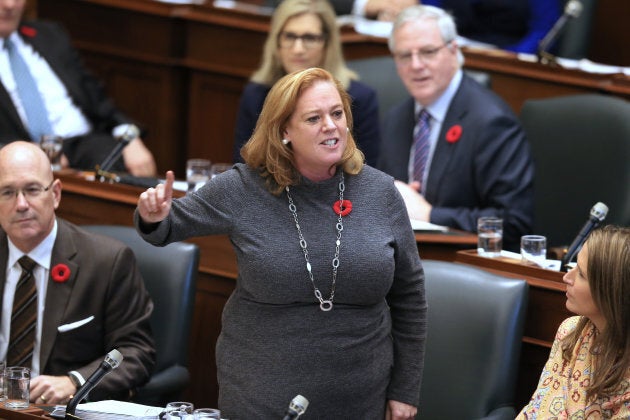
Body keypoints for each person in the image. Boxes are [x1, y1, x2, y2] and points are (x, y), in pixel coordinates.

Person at [136, 67, 426, 419]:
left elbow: (409, 296)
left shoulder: (380, 191)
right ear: (284, 131)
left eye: (337, 114)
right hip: (261, 393)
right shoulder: (244, 187)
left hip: (361, 394)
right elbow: (168, 224)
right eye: (313, 118)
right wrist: (153, 214)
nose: (331, 126)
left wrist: (405, 390)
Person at [0, 141, 155, 404]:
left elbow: (135, 353)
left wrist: (74, 381)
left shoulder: (107, 262)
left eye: (32, 189)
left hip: (59, 410)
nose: (21, 204)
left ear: (56, 194)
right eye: (7, 192)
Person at [377, 5, 534, 251]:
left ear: (453, 50)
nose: (416, 65)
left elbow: (513, 223)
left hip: (466, 267)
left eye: (428, 52)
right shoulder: (395, 119)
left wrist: (430, 215)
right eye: (405, 55)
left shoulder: (491, 122)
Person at [0, 0, 157, 176]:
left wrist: (129, 138)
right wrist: (33, 153)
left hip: (83, 144)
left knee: (112, 160)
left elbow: (98, 100)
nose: (10, 5)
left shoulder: (49, 34)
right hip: (21, 157)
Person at [233, 0, 381, 167]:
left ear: (327, 44)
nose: (298, 49)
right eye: (289, 36)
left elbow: (365, 173)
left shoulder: (359, 99)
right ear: (277, 42)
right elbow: (245, 166)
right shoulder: (256, 95)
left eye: (309, 38)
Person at [518, 225, 630, 418]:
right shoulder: (570, 331)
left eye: (581, 274)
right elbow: (536, 410)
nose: (566, 277)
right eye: (574, 267)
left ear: (611, 291)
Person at [328, 0, 561, 54]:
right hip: (449, 49)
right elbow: (431, 9)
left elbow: (544, 31)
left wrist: (504, 58)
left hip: (506, 56)